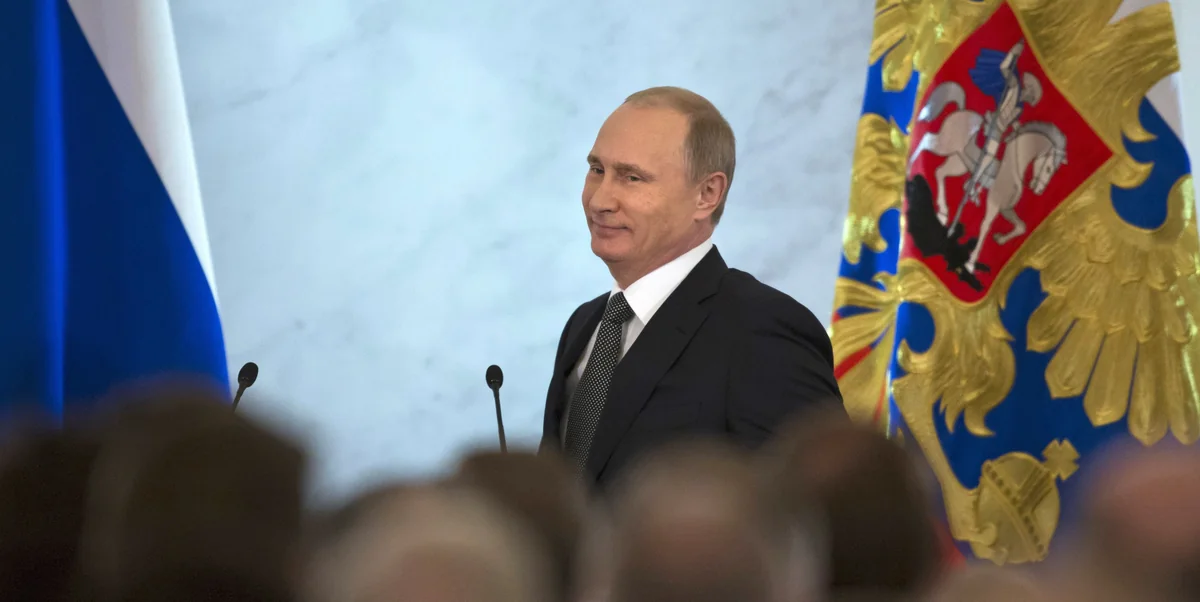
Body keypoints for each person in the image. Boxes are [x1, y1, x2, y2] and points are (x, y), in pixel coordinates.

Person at [540, 86, 841, 488]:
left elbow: (822, 506)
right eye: (597, 170)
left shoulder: (761, 330)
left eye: (631, 177)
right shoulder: (586, 323)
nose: (600, 200)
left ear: (707, 194)